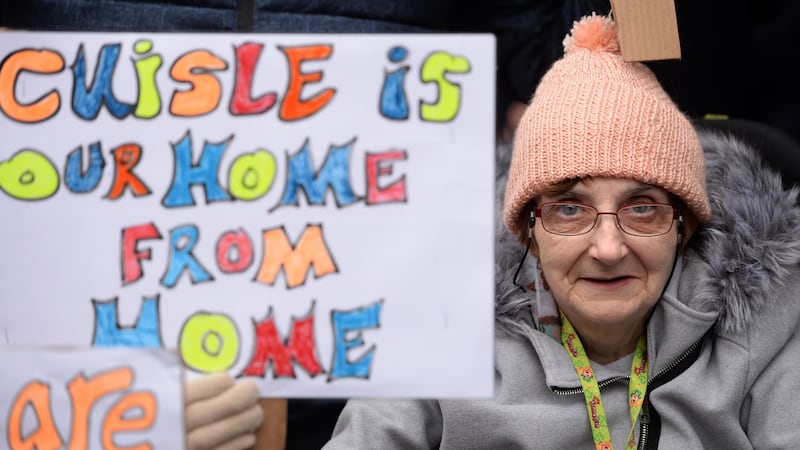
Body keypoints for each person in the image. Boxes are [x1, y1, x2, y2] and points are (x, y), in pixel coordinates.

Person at [324, 14, 800, 448]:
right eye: (570, 210)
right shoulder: (440, 321)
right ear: (527, 231)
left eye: (641, 209)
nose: (609, 249)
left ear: (684, 224)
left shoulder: (769, 324)